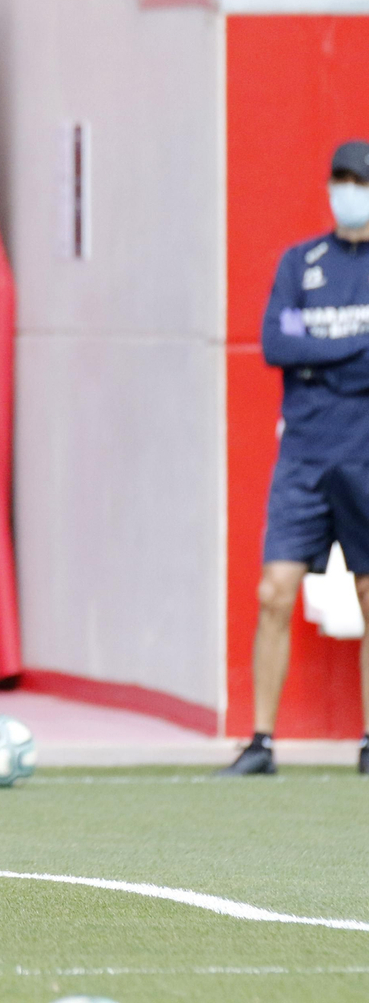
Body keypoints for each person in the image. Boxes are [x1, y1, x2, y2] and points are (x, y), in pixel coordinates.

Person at [221, 140, 369, 777]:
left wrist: (320, 351)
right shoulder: (299, 261)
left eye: (357, 180)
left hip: (364, 455)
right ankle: (260, 742)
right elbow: (277, 344)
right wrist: (357, 349)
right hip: (304, 455)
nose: (347, 190)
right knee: (273, 590)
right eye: (339, 178)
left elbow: (303, 345)